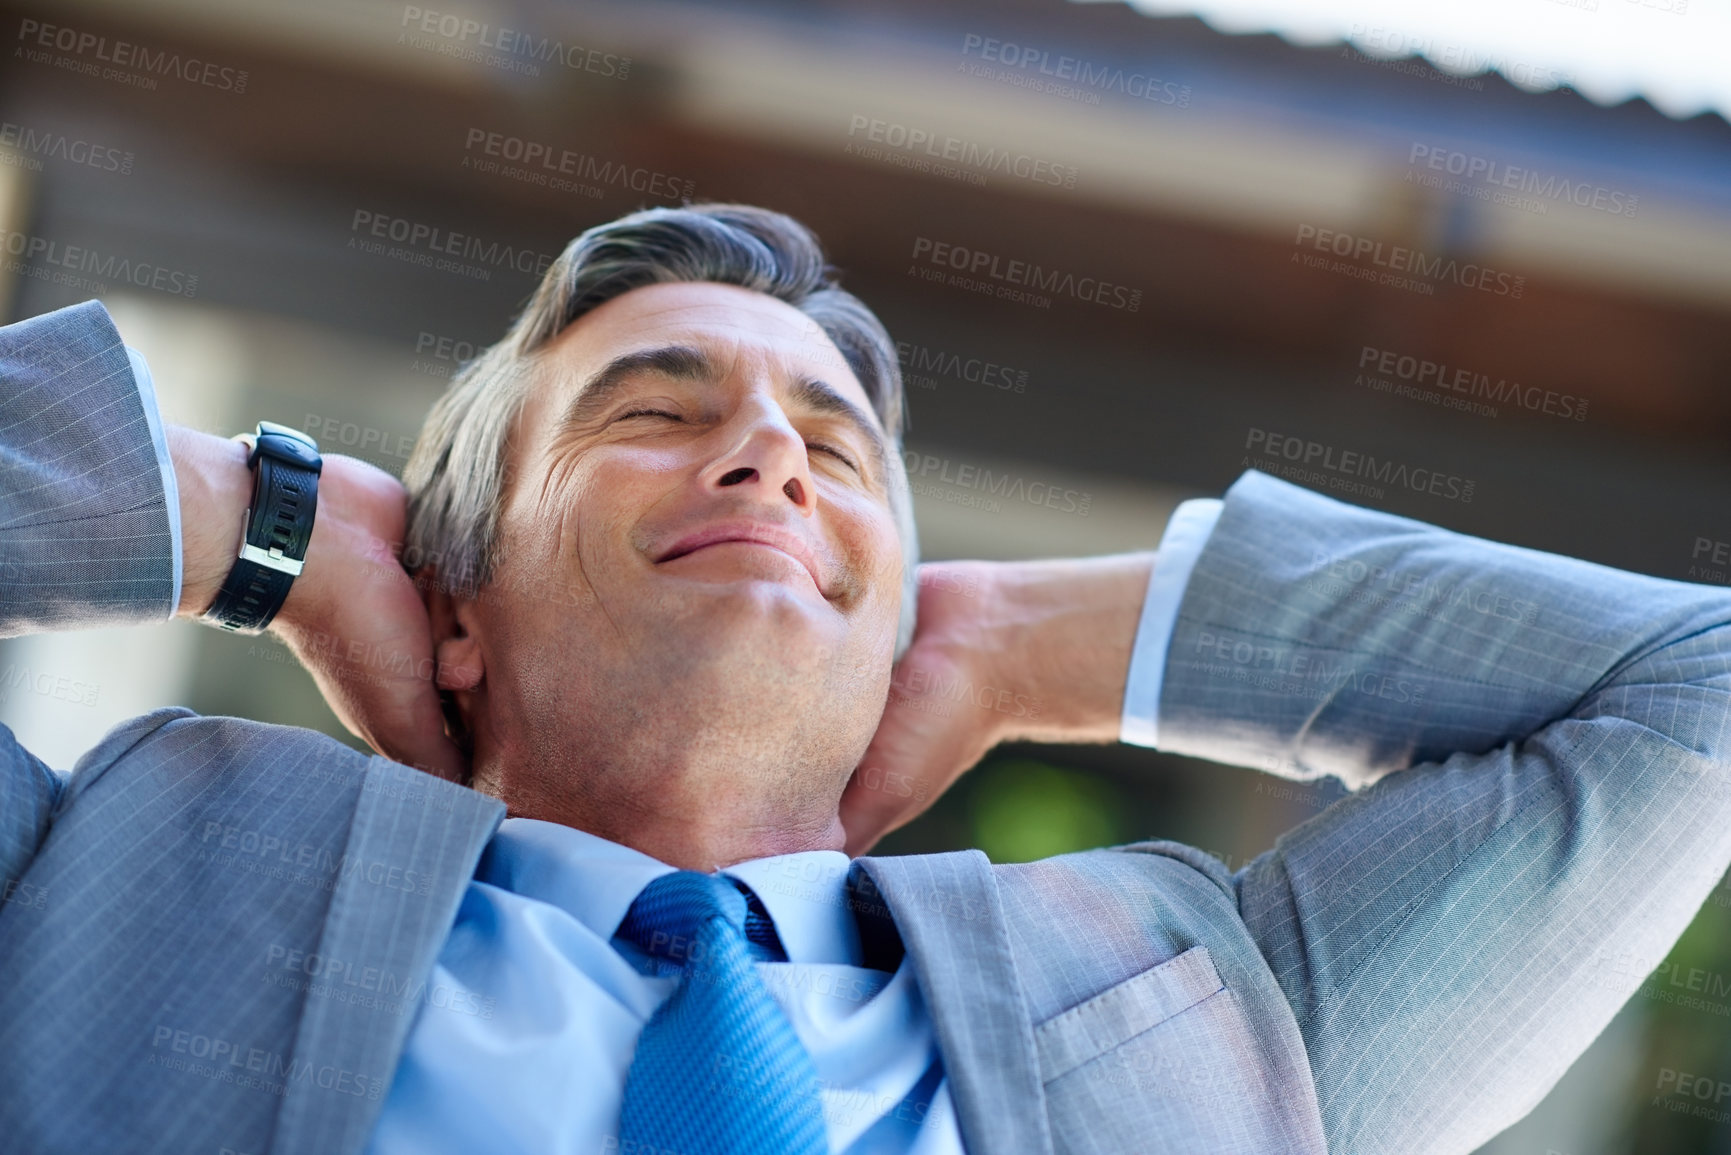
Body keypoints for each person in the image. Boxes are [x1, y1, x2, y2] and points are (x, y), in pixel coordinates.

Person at [1, 203, 1728, 1155]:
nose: (768, 452)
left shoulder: (1214, 1009)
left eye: (840, 455)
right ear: (453, 600)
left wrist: (1038, 639)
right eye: (655, 412)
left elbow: (1693, 679)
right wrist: (254, 516)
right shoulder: (101, 874)